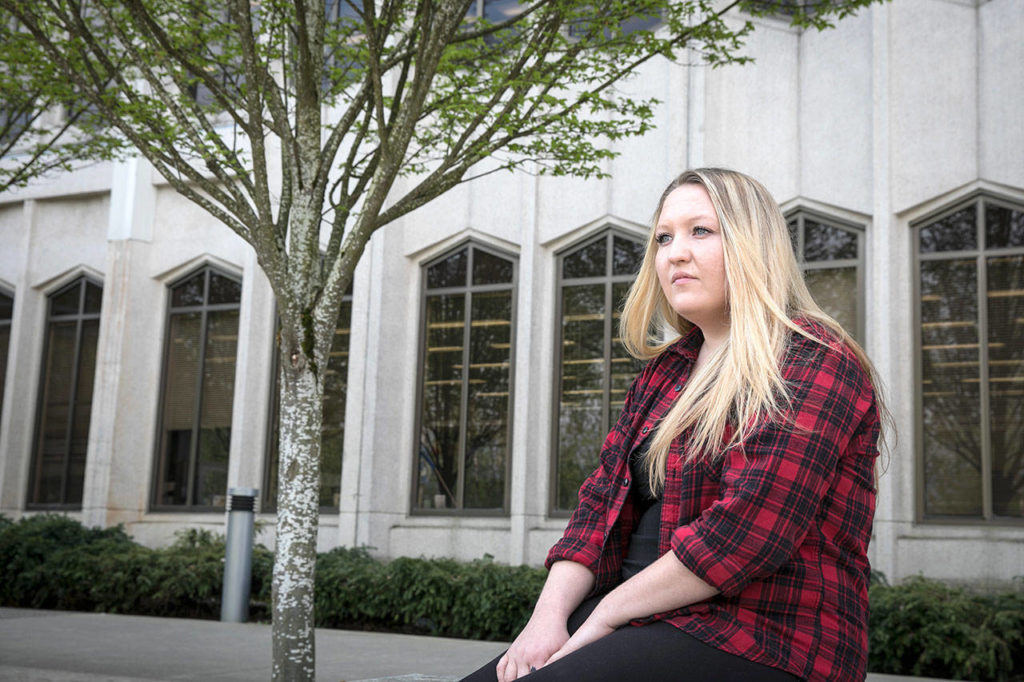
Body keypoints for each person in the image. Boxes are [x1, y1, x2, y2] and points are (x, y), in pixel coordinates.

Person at [459, 168, 887, 682]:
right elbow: (599, 509)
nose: (674, 253)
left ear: (754, 245)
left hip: (766, 635)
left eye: (700, 231)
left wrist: (606, 615)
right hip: (644, 616)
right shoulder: (667, 371)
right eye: (664, 238)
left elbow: (746, 532)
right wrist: (545, 620)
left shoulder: (815, 358)